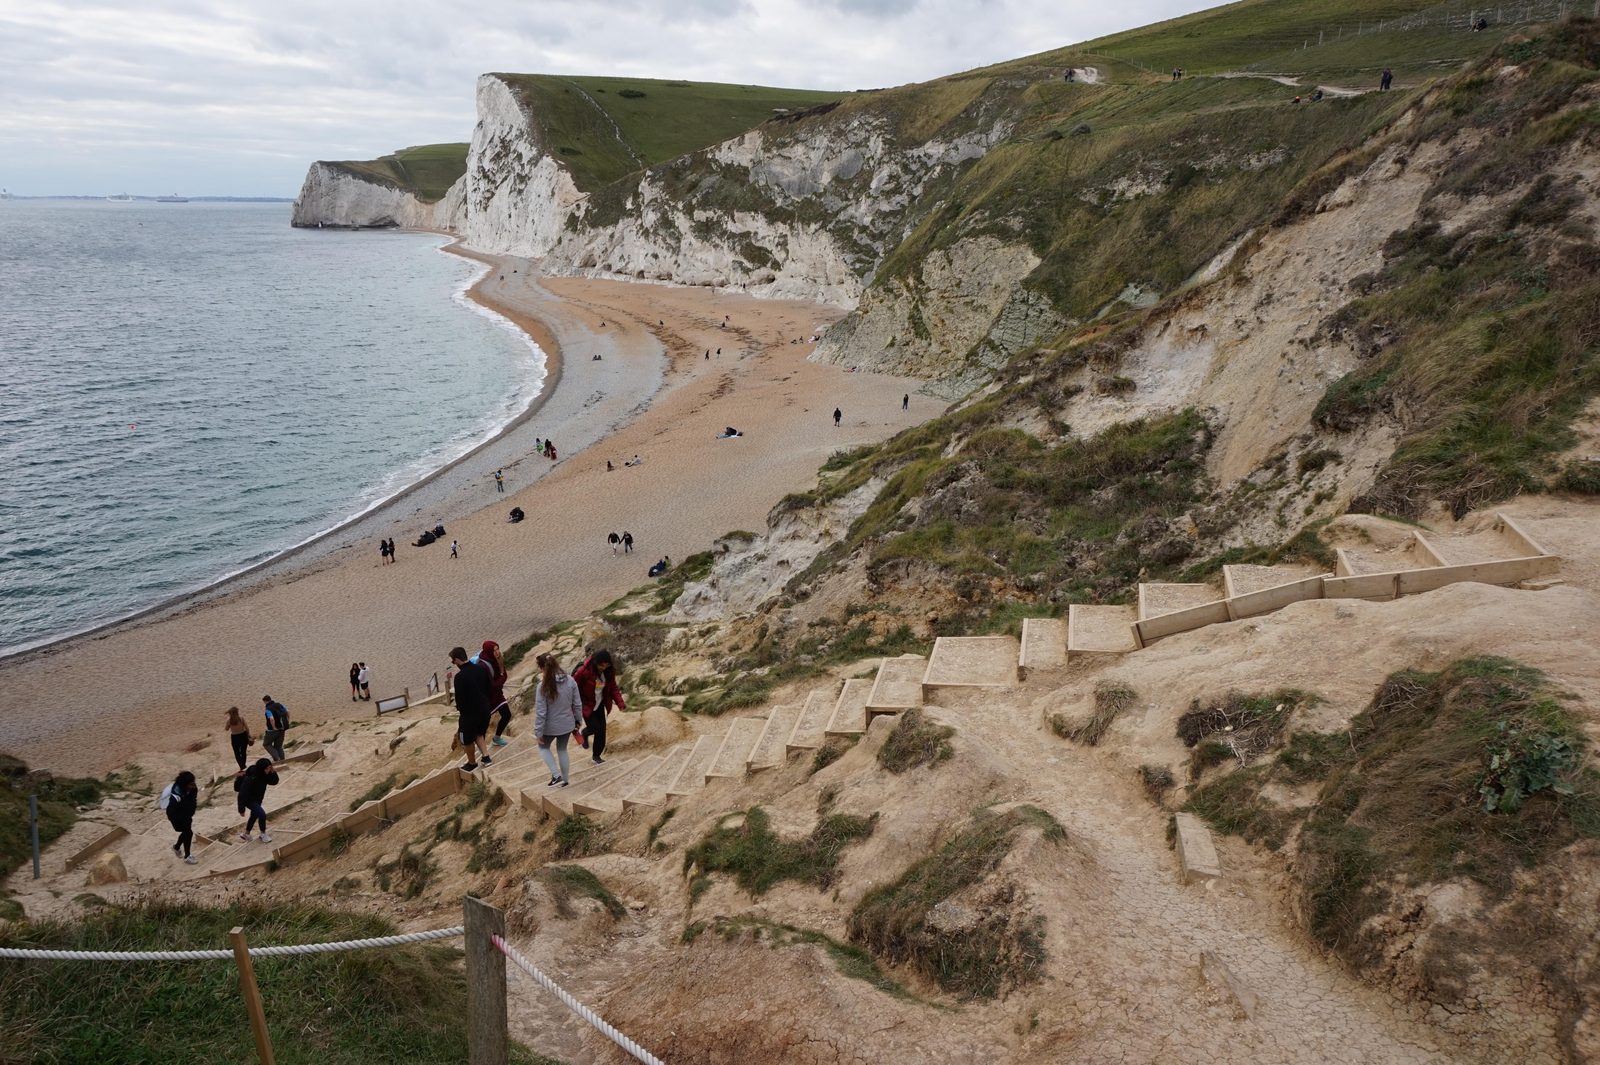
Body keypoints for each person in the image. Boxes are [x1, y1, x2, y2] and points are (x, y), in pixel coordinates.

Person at [533, 653, 582, 788]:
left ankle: (556, 775)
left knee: (543, 747)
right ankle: (565, 780)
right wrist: (578, 721)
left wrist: (538, 732)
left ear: (542, 668)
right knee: (562, 749)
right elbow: (577, 704)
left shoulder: (542, 686)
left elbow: (541, 713)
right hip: (567, 724)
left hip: (550, 726)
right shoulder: (570, 680)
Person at [573, 650, 625, 765]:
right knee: (595, 728)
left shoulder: (608, 672)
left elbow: (613, 688)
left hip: (600, 704)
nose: (603, 668)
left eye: (606, 665)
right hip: (586, 704)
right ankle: (585, 733)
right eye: (601, 665)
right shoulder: (584, 672)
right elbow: (572, 687)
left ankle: (596, 756)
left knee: (601, 731)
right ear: (595, 662)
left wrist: (620, 703)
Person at [449, 646, 493, 771]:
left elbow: (460, 699)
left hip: (469, 714)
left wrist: (461, 711)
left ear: (457, 660)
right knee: (479, 733)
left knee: (467, 740)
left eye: (453, 661)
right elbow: (488, 687)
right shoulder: (480, 669)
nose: (454, 663)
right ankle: (486, 757)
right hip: (484, 709)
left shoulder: (459, 677)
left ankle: (472, 763)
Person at [234, 757, 280, 843]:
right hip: (249, 800)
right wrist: (241, 809)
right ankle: (263, 834)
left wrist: (273, 772)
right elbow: (242, 793)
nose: (268, 770)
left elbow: (274, 782)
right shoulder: (251, 777)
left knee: (254, 815)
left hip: (258, 799)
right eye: (267, 768)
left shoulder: (264, 775)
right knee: (262, 814)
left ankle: (247, 834)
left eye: (270, 768)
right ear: (262, 768)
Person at [161, 771, 199, 864]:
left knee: (187, 833)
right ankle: (187, 856)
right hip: (177, 817)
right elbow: (171, 811)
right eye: (190, 783)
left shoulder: (193, 789)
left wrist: (191, 812)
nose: (193, 784)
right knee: (188, 833)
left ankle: (177, 847)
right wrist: (178, 819)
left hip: (187, 815)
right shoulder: (175, 796)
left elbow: (193, 801)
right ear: (184, 784)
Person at [482, 640, 513, 747]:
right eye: (494, 650)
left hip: (497, 695)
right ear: (489, 651)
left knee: (507, 715)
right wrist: (501, 677)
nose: (497, 652)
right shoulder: (484, 665)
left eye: (497, 649)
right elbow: (493, 685)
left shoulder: (498, 659)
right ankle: (482, 748)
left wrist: (501, 677)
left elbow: (504, 675)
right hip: (487, 698)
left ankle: (497, 738)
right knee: (484, 724)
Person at [261, 695, 289, 761]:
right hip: (282, 728)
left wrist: (274, 727)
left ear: (265, 701)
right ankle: (283, 760)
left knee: (266, 744)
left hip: (272, 731)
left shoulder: (268, 709)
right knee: (278, 746)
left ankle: (277, 758)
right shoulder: (279, 705)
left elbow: (271, 718)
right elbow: (288, 711)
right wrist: (287, 721)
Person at [224, 706, 252, 770]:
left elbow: (226, 729)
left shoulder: (229, 720)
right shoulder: (241, 718)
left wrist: (229, 725)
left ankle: (241, 766)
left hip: (235, 737)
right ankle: (243, 765)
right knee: (243, 752)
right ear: (237, 712)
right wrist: (249, 735)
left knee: (237, 753)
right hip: (243, 736)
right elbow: (247, 728)